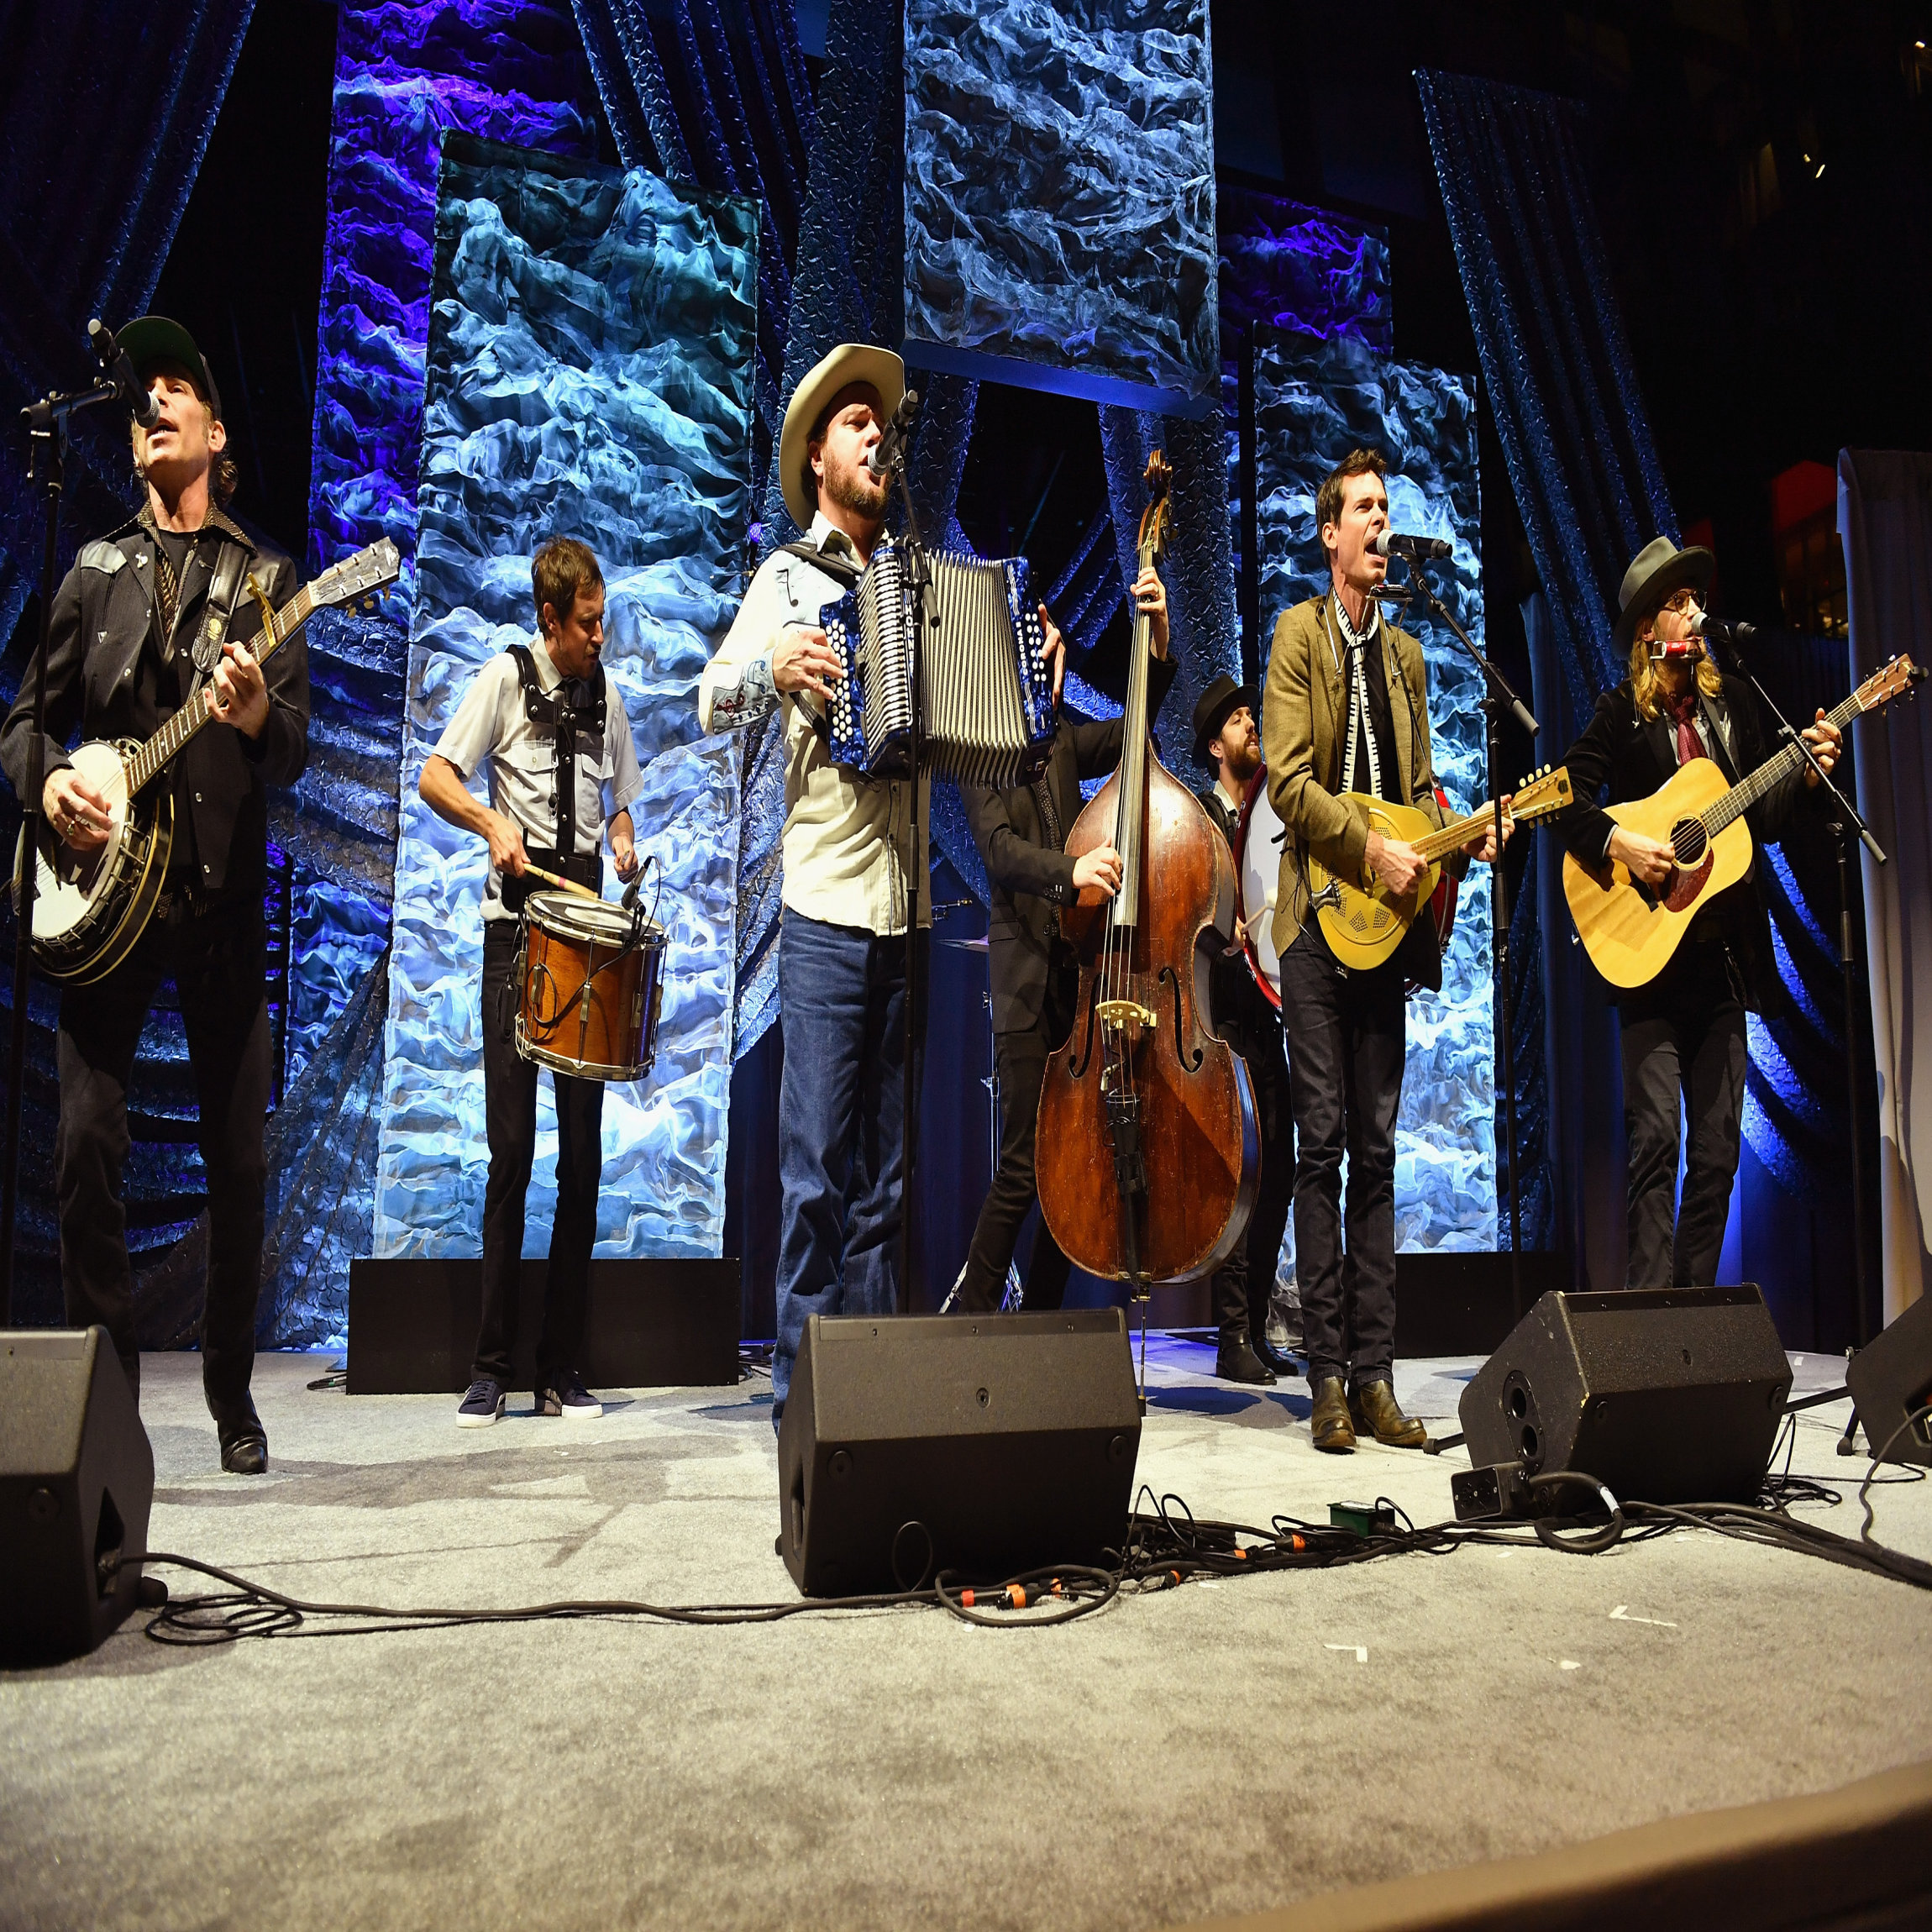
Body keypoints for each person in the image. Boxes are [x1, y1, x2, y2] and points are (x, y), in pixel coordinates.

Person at [0, 316, 308, 1473]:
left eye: (179, 387)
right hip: (99, 895)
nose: (155, 402)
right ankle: (106, 1394)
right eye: (144, 394)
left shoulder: (270, 579)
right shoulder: (92, 569)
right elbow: (25, 721)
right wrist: (50, 793)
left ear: (216, 432)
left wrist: (253, 713)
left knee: (237, 1168)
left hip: (219, 907)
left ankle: (233, 1394)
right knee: (85, 1147)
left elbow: (293, 753)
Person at [697, 342, 930, 1430]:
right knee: (816, 1182)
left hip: (907, 914)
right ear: (816, 460)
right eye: (854, 423)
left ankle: (875, 1402)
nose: (876, 434)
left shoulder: (920, 582)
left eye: (880, 423)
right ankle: (803, 1412)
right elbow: (709, 699)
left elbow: (974, 721)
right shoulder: (789, 579)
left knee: (888, 1188)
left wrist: (1027, 672)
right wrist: (772, 667)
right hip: (828, 906)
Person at [1261, 448, 1504, 1454]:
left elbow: (1418, 789)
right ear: (1328, 534)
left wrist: (1459, 833)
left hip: (1388, 932)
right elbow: (1284, 779)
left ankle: (1373, 1375)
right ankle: (1323, 1376)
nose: (1376, 524)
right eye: (1361, 509)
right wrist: (1367, 847)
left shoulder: (1405, 653)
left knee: (1377, 1151)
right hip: (1319, 925)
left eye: (1383, 510)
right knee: (1319, 1144)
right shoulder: (1295, 635)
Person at [1560, 536, 1840, 1288]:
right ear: (1649, 629)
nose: (1694, 611)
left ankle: (1692, 1321)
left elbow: (1755, 819)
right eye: (1677, 603)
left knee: (1716, 1151)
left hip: (1721, 961)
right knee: (1655, 1142)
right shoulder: (1619, 715)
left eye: (1694, 598)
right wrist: (1623, 845)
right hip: (1648, 962)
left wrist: (1806, 773)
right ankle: (1648, 1325)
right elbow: (1565, 800)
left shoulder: (1732, 703)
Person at [418, 536, 644, 1428]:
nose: (600, 638)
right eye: (588, 625)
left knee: (583, 1159)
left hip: (584, 947)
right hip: (515, 939)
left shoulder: (608, 695)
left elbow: (619, 795)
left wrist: (623, 837)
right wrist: (488, 824)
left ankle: (561, 1370)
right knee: (511, 1151)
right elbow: (437, 773)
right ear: (550, 620)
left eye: (604, 621)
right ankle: (489, 1366)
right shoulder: (504, 681)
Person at [953, 570, 1173, 1317]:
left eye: (1055, 647)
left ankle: (1043, 1321)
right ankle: (973, 1312)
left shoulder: (1067, 745)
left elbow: (1139, 727)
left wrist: (1158, 644)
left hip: (1072, 989)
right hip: (1022, 987)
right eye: (1039, 646)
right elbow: (1002, 852)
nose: (1052, 657)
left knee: (1071, 1163)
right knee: (1021, 1166)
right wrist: (1073, 870)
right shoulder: (978, 750)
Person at [1190, 674, 1298, 1383]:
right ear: (1213, 744)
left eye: (1249, 713)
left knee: (1281, 1172)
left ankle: (1256, 1326)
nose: (1250, 723)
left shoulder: (1269, 813)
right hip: (1215, 1017)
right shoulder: (1198, 819)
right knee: (1236, 1177)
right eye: (1237, 718)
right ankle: (1231, 1335)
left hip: (1267, 1014)